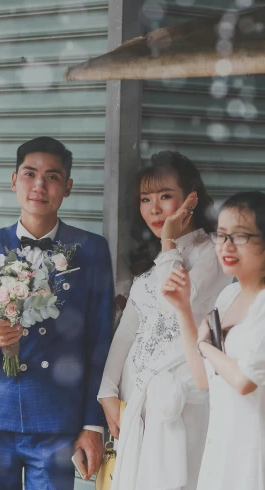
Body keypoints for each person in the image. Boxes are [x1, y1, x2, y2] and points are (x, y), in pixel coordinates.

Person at [0, 137, 114, 490]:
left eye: (52, 177)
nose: (39, 185)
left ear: (67, 187)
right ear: (14, 181)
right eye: (30, 174)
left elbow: (101, 344)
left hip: (56, 422)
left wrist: (93, 424)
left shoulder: (91, 250)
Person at [97, 151, 232, 490]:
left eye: (164, 197)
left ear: (191, 198)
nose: (153, 209)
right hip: (135, 400)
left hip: (180, 400)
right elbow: (129, 329)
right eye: (145, 199)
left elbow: (179, 303)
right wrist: (107, 390)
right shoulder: (154, 258)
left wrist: (168, 242)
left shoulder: (213, 251)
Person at [162, 191, 265, 490]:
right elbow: (203, 379)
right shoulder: (228, 295)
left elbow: (244, 380)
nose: (226, 246)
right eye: (222, 235)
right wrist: (183, 309)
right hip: (217, 452)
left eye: (240, 237)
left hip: (253, 458)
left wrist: (205, 346)